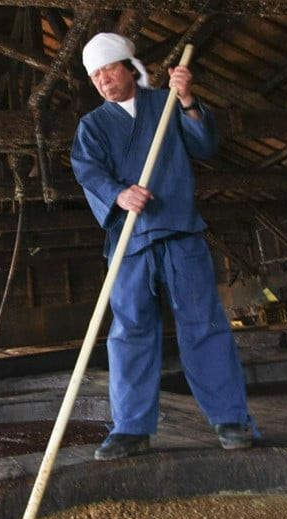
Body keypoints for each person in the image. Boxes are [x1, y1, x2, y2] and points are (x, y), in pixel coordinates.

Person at [70, 32, 257, 460]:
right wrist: (118, 194)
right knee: (130, 331)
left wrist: (189, 99)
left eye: (108, 70)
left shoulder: (166, 104)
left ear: (129, 68)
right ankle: (131, 428)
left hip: (179, 230)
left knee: (203, 322)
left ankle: (230, 418)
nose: (102, 81)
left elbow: (206, 144)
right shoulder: (92, 126)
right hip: (129, 241)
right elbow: (87, 171)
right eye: (94, 75)